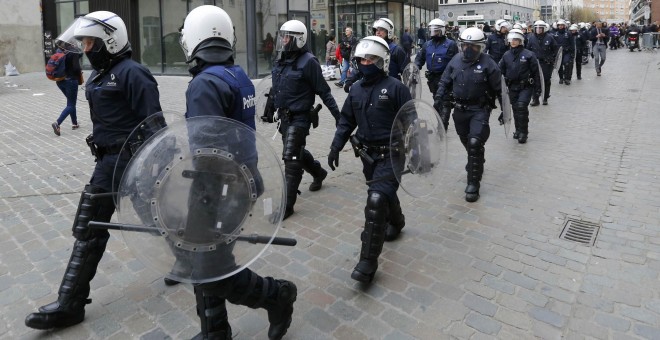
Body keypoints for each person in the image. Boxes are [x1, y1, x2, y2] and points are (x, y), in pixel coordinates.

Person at [25, 11, 162, 330]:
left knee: (157, 219)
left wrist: (153, 168)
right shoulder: (101, 75)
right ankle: (71, 303)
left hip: (131, 163)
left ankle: (190, 263)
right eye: (83, 41)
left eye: (90, 41)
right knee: (91, 229)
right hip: (106, 163)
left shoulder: (133, 73)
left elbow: (155, 125)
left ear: (110, 42)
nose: (85, 48)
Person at [177, 6, 297, 339]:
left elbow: (206, 149)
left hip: (216, 187)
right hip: (242, 178)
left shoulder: (204, 84)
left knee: (210, 266)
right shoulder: (237, 75)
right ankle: (215, 330)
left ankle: (277, 295)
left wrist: (199, 193)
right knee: (207, 260)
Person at [328, 36, 412, 283]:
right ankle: (396, 221)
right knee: (382, 193)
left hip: (392, 154)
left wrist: (418, 153)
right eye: (361, 59)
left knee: (375, 200)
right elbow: (346, 121)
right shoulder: (354, 89)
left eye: (370, 59)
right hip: (367, 155)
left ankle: (367, 261)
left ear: (381, 61)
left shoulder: (396, 87)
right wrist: (335, 147)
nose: (365, 63)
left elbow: (412, 122)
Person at [271, 20, 341, 220]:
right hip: (284, 117)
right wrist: (269, 107)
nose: (283, 40)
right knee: (295, 152)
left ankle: (287, 206)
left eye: (288, 37)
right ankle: (319, 173)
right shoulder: (282, 59)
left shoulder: (308, 61)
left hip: (300, 117)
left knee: (291, 159)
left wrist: (339, 118)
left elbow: (325, 92)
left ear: (299, 39)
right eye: (282, 36)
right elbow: (276, 86)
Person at [433, 27, 501, 202]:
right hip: (460, 110)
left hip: (480, 109)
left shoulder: (488, 63)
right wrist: (439, 97)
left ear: (481, 47)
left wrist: (505, 111)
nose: (469, 49)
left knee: (474, 142)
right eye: (465, 45)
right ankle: (476, 159)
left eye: (474, 46)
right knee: (466, 140)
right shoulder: (455, 60)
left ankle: (473, 184)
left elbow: (500, 89)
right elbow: (445, 80)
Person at [342, 18, 409, 92]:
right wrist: (349, 80)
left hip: (392, 89)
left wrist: (406, 91)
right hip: (372, 87)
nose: (378, 32)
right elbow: (360, 67)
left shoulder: (396, 50)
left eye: (381, 29)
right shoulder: (370, 47)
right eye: (376, 30)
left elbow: (407, 72)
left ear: (388, 31)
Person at [498, 28, 541, 144]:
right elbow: (499, 71)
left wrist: (537, 91)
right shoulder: (506, 55)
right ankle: (517, 130)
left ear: (521, 41)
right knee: (516, 108)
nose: (513, 42)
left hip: (526, 86)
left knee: (522, 107)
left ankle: (524, 133)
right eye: (511, 39)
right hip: (512, 87)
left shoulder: (529, 55)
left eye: (516, 40)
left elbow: (536, 74)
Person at [414, 19, 458, 103]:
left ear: (442, 30)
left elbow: (456, 63)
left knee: (444, 105)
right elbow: (419, 58)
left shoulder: (450, 44)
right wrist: (415, 68)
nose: (434, 32)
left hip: (445, 79)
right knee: (436, 101)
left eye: (436, 30)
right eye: (432, 30)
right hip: (432, 79)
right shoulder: (427, 44)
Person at [51, 45, 83, 136]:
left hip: (60, 81)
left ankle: (75, 123)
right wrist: (79, 73)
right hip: (71, 81)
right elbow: (76, 68)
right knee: (71, 104)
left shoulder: (59, 50)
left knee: (71, 102)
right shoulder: (74, 51)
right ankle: (57, 123)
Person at [526, 20, 558, 105]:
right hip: (535, 62)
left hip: (546, 63)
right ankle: (535, 98)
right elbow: (528, 50)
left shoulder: (550, 37)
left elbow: (556, 50)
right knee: (534, 80)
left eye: (540, 28)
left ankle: (545, 97)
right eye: (537, 28)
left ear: (544, 29)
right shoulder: (531, 38)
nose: (538, 30)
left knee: (546, 80)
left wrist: (552, 59)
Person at [553, 19, 575, 85]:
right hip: (558, 53)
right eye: (559, 25)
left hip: (567, 52)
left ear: (564, 26)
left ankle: (567, 78)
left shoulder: (568, 33)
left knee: (566, 64)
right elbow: (553, 44)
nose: (560, 26)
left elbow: (572, 43)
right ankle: (561, 78)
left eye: (562, 25)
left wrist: (572, 52)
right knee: (559, 65)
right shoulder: (555, 34)